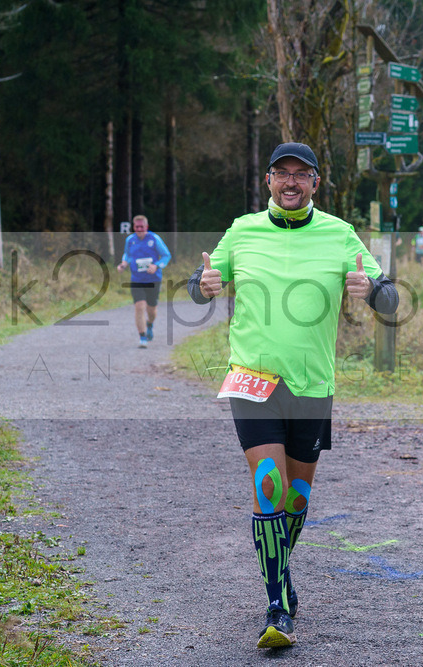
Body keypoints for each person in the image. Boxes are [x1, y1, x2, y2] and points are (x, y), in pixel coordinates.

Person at [188, 142, 399, 649]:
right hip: (252, 383)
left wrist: (369, 291)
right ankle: (278, 606)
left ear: (315, 184)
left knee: (296, 498)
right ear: (267, 181)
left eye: (300, 175)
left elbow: (391, 299)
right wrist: (204, 283)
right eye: (281, 173)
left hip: (311, 387)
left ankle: (282, 572)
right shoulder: (242, 231)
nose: (290, 182)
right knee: (268, 487)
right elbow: (200, 285)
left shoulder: (340, 234)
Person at [116, 215, 171, 347]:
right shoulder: (130, 240)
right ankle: (142, 337)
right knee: (139, 306)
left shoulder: (154, 238)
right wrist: (123, 264)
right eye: (137, 227)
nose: (139, 229)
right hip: (137, 279)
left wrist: (156, 265)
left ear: (146, 227)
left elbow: (166, 255)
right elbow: (127, 255)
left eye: (142, 227)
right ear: (134, 227)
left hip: (153, 279)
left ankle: (150, 324)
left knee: (151, 310)